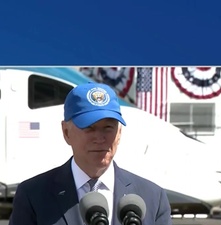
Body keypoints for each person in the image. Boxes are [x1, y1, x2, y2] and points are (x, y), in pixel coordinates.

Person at [9, 82, 172, 225]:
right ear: (66, 132)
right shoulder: (34, 195)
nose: (100, 138)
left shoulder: (152, 198)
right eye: (89, 128)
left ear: (119, 133)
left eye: (108, 128)